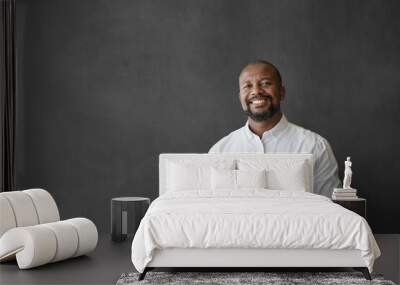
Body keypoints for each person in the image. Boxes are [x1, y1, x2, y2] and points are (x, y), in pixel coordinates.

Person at [209, 60, 340, 197]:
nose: (256, 91)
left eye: (265, 83)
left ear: (281, 92)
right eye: (247, 86)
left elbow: (330, 209)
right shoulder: (220, 151)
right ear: (240, 97)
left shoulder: (315, 147)